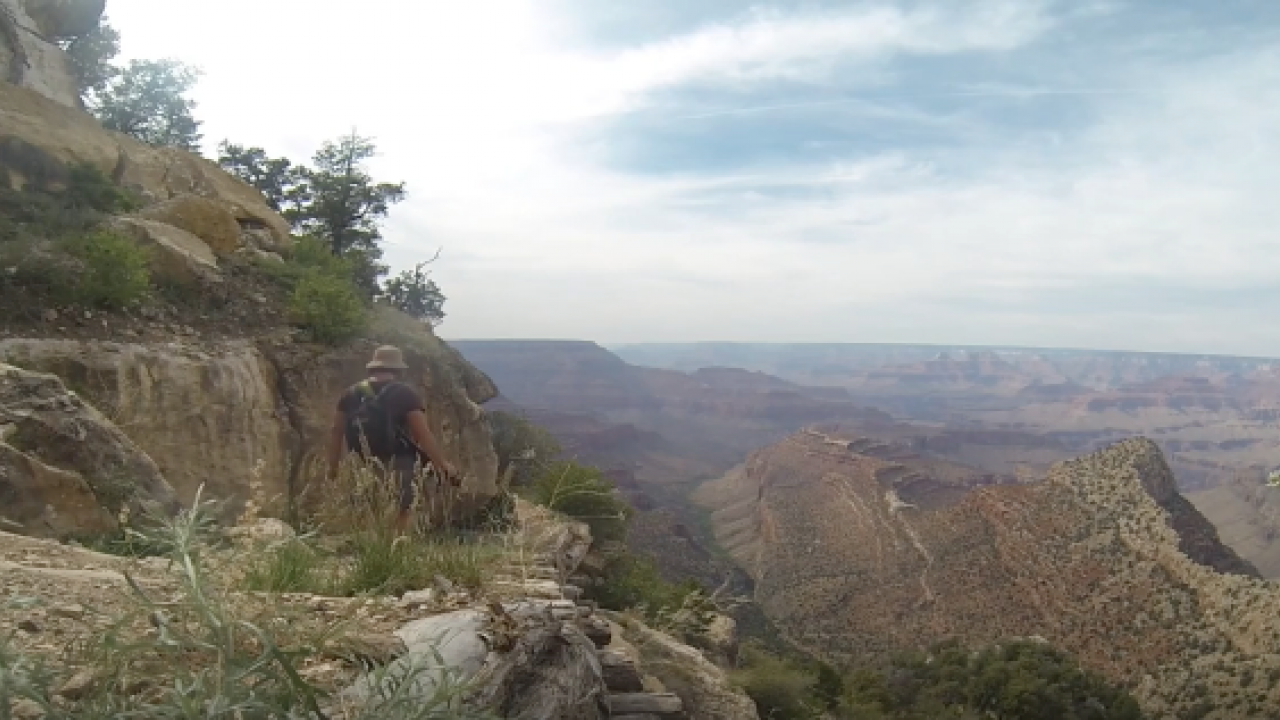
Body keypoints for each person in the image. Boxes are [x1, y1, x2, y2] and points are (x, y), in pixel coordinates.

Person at [326, 345, 459, 534]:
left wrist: (333, 467)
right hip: (399, 460)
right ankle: (396, 547)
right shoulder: (404, 393)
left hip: (362, 462)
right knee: (403, 508)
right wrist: (441, 464)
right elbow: (423, 433)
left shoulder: (351, 393)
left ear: (373, 367)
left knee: (371, 508)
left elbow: (336, 430)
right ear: (398, 369)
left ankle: (372, 547)